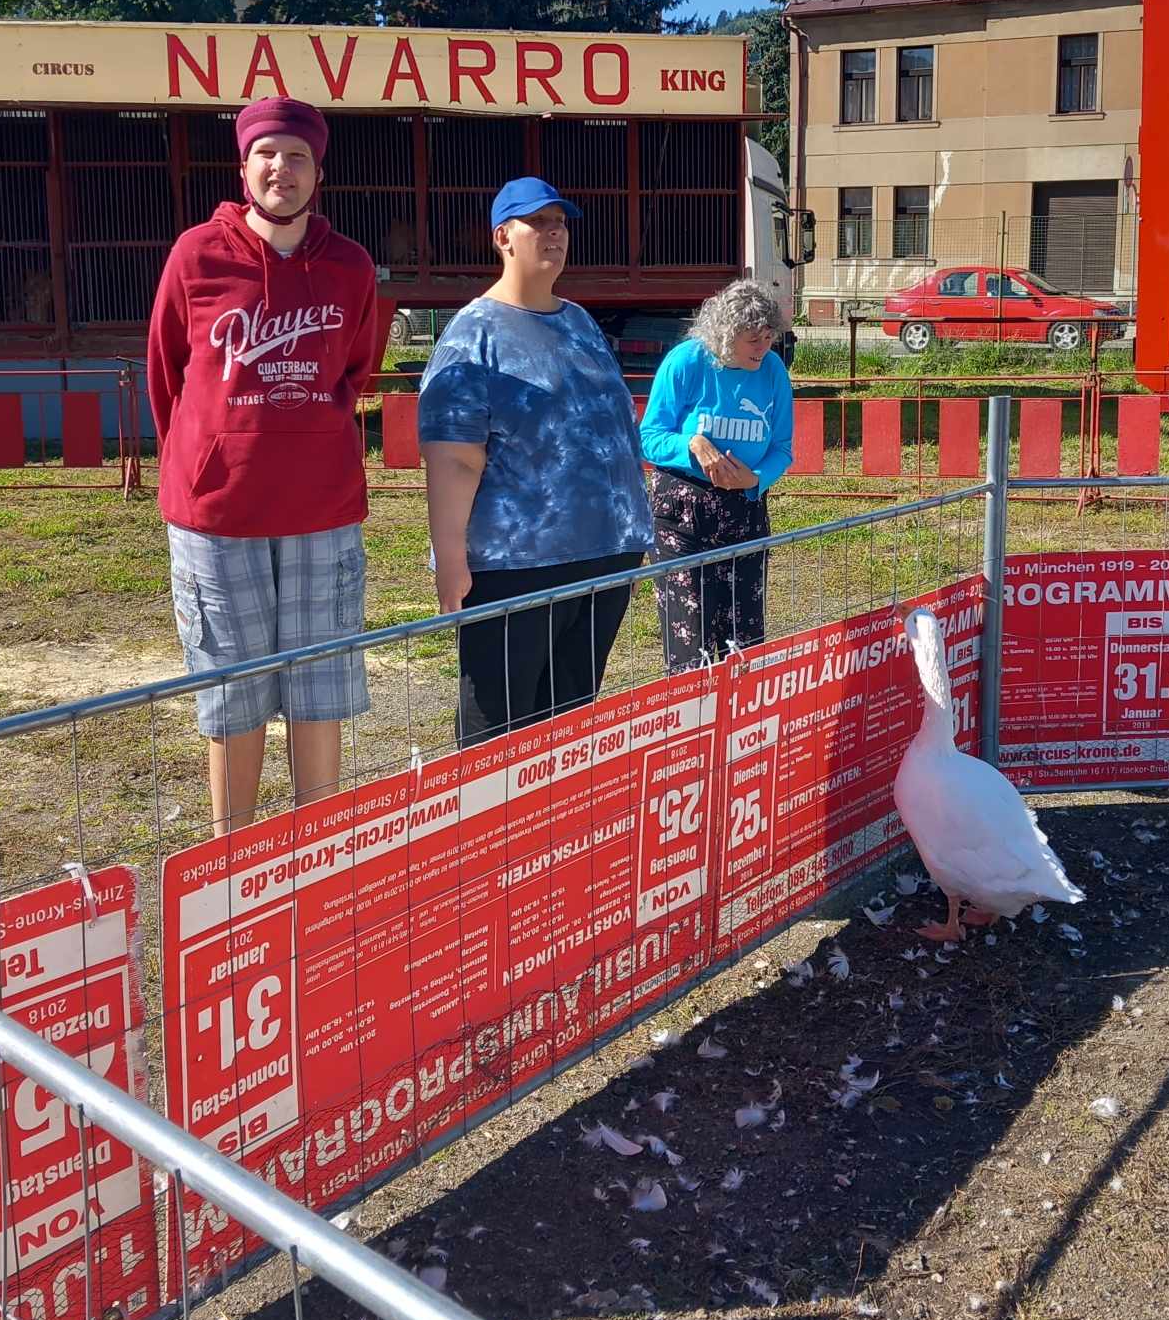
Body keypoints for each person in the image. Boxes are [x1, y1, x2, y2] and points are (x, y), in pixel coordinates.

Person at [147, 95, 379, 833]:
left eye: (298, 155)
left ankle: (317, 855)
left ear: (319, 172)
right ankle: (232, 863)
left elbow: (355, 370)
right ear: (243, 168)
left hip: (321, 510)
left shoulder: (349, 267)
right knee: (233, 698)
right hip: (219, 516)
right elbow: (167, 373)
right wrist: (211, 457)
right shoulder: (196, 255)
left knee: (320, 693)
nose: (282, 168)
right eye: (267, 154)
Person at [418, 176, 653, 745]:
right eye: (538, 222)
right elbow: (454, 458)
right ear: (503, 236)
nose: (554, 233)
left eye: (561, 223)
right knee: (498, 728)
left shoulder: (578, 321)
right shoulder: (473, 335)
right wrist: (450, 556)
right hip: (517, 566)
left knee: (568, 724)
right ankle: (482, 807)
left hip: (604, 556)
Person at [639, 280, 794, 669]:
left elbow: (782, 448)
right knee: (691, 643)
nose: (763, 347)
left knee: (746, 641)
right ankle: (693, 705)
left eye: (768, 337)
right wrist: (691, 445)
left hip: (745, 511)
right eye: (752, 339)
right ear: (725, 335)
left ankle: (742, 708)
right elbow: (648, 438)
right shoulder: (687, 361)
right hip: (683, 516)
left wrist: (755, 479)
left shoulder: (773, 370)